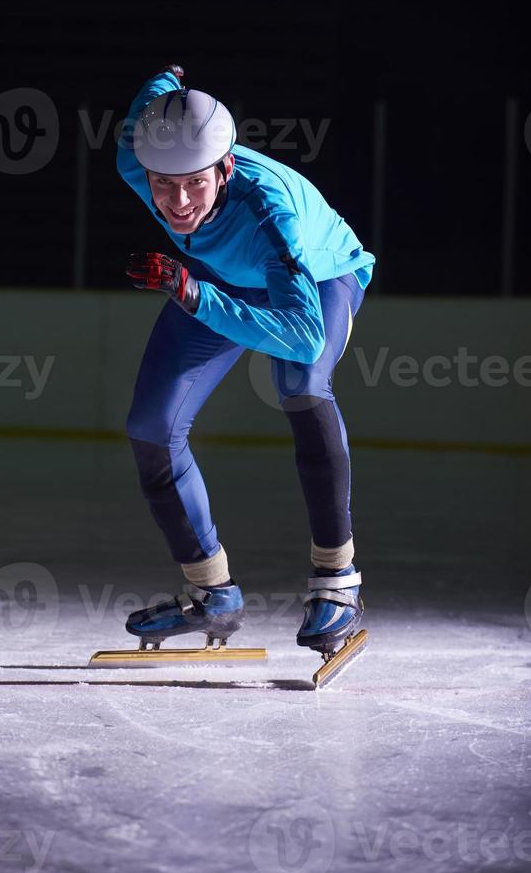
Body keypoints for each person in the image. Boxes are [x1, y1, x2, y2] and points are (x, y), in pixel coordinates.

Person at [116, 64, 375, 660]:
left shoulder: (268, 213)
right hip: (217, 275)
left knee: (301, 383)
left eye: (195, 185)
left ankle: (338, 578)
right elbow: (148, 103)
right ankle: (213, 594)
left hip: (316, 275)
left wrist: (192, 293)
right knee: (152, 427)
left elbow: (303, 337)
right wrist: (166, 76)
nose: (178, 203)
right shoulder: (138, 157)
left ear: (226, 167)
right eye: (163, 185)